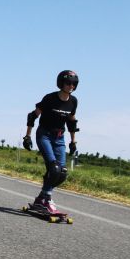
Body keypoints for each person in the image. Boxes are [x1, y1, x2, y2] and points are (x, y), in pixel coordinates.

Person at [22, 70, 80, 214]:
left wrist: (73, 142)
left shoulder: (73, 101)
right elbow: (32, 116)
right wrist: (27, 137)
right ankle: (46, 199)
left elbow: (72, 122)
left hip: (60, 138)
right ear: (61, 83)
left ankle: (42, 198)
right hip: (45, 135)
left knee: (62, 173)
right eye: (68, 83)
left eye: (73, 83)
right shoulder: (50, 98)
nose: (71, 86)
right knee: (53, 169)